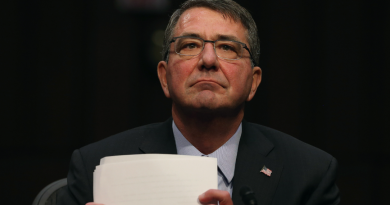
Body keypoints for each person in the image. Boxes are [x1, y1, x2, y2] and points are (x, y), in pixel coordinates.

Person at [58, 0, 340, 205]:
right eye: (190, 45)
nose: (208, 61)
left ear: (253, 82)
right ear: (164, 76)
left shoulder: (307, 174)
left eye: (228, 48)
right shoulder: (94, 166)